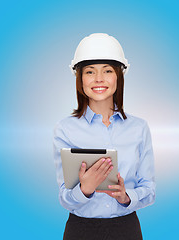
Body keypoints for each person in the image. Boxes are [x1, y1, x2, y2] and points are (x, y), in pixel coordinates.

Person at [53, 33, 155, 240]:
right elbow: (65, 197)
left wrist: (127, 197)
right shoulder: (65, 129)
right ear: (80, 78)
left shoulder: (139, 128)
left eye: (107, 70)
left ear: (119, 75)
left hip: (127, 229)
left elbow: (149, 189)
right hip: (80, 231)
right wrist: (85, 190)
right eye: (90, 71)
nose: (99, 79)